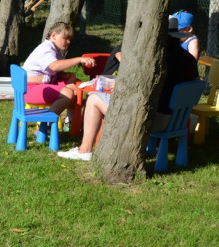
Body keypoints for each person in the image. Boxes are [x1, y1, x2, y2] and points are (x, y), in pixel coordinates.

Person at [58, 29, 199, 161]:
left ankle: (85, 150)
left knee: (94, 98)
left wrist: (121, 82)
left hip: (152, 121)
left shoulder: (157, 61)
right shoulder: (190, 60)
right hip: (179, 120)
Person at [22, 22, 96, 117]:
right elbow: (55, 66)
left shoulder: (56, 50)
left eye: (70, 39)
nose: (68, 42)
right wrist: (79, 59)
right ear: (54, 36)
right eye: (65, 38)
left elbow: (53, 71)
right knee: (68, 93)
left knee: (76, 89)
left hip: (42, 84)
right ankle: (46, 124)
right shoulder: (46, 49)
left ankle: (69, 121)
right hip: (30, 89)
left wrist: (67, 76)